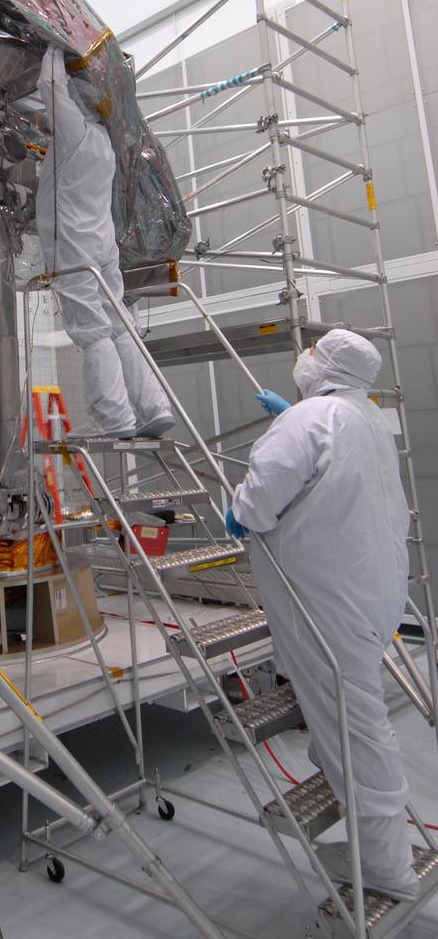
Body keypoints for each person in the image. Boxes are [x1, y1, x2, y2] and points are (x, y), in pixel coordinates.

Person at [227, 329, 417, 900]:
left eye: (311, 350)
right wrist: (297, 421)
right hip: (372, 592)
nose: (303, 357)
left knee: (357, 731)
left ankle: (388, 867)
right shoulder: (365, 418)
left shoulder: (309, 421)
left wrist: (239, 508)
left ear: (326, 365)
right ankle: (376, 845)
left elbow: (257, 505)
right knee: (353, 718)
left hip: (328, 603)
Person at [35, 44, 174, 438]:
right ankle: (153, 409)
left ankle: (113, 419)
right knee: (119, 326)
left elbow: (49, 84)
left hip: (73, 248)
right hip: (101, 246)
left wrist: (53, 44)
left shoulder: (75, 133)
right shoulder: (102, 142)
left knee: (91, 329)